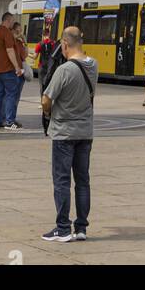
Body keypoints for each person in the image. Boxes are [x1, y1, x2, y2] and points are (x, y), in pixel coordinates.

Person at [41, 26, 98, 243]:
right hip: (85, 131)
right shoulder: (94, 65)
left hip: (64, 132)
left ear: (65, 44)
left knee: (62, 180)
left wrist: (48, 111)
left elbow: (47, 99)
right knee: (83, 180)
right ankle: (81, 227)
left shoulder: (64, 70)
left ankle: (63, 228)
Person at [0, 11, 23, 132]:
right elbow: (10, 51)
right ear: (8, 21)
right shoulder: (6, 32)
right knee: (11, 94)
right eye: (12, 21)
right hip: (7, 69)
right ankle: (9, 122)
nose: (12, 24)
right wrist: (17, 67)